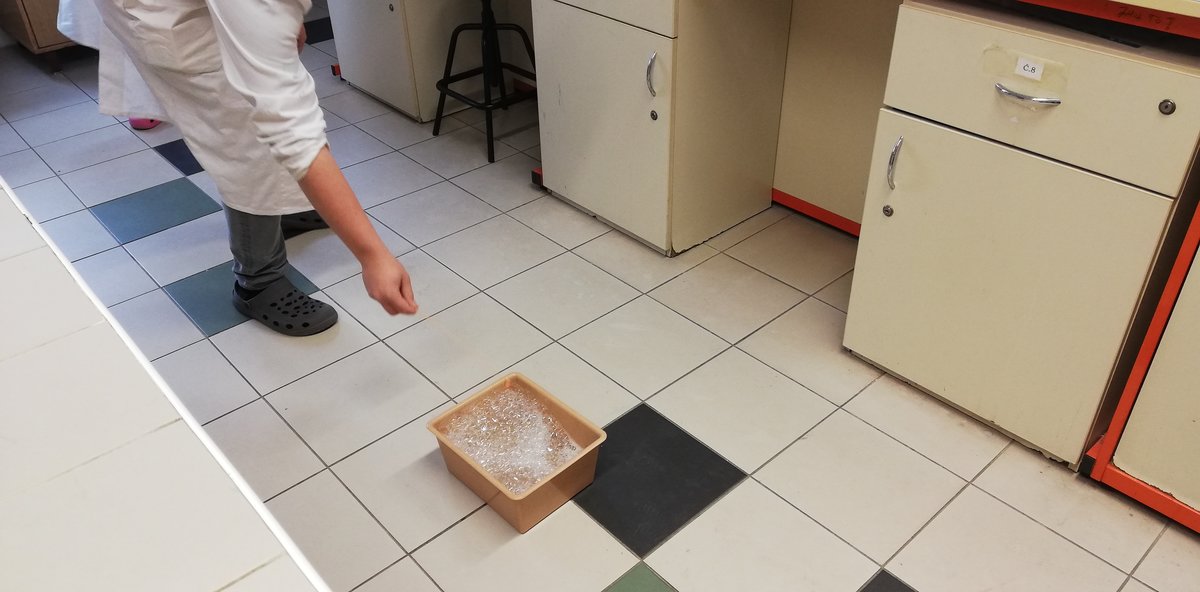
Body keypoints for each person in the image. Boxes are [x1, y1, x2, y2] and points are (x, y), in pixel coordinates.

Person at [57, 0, 417, 336]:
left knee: (261, 124)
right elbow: (295, 131)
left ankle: (282, 212)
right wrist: (373, 256)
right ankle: (258, 283)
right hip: (173, 23)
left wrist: (280, 23)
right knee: (246, 147)